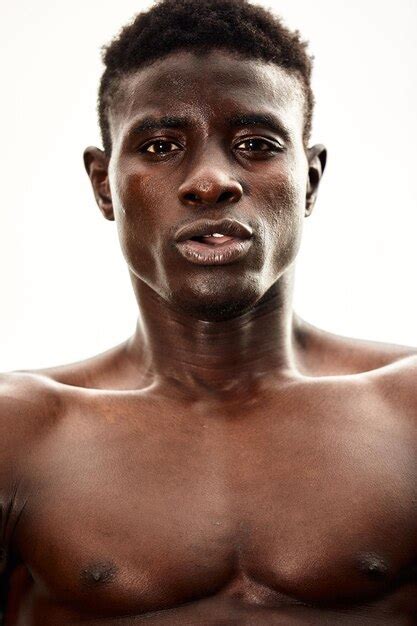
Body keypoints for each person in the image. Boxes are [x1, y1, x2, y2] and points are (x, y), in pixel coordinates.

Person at [1, 0, 416, 623]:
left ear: (310, 179)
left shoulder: (409, 413)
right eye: (162, 145)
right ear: (103, 185)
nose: (211, 180)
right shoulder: (19, 434)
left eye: (255, 143)